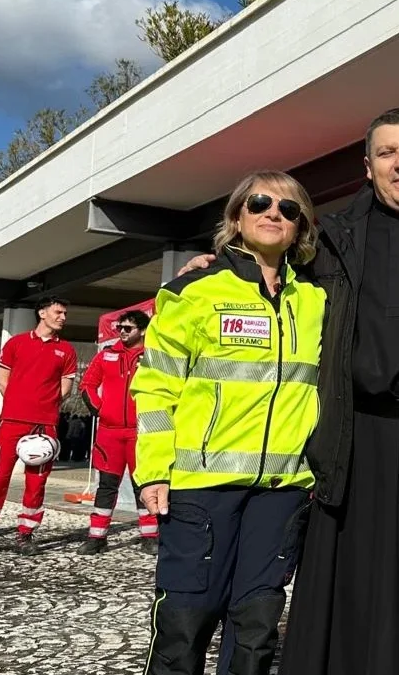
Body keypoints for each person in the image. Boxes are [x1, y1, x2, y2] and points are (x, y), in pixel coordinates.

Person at [176, 108, 399, 675]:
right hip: (366, 442)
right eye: (387, 154)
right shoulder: (332, 242)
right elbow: (274, 273)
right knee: (364, 597)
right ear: (367, 167)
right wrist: (222, 265)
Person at [134, 171, 326, 675]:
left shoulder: (317, 300)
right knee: (184, 623)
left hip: (281, 492)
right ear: (237, 216)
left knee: (258, 628)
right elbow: (155, 387)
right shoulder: (194, 291)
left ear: (300, 226)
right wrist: (153, 469)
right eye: (260, 202)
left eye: (288, 209)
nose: (272, 214)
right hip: (201, 488)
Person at [0, 297, 78, 557]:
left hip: (45, 425)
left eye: (65, 313)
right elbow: (2, 381)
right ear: (42, 313)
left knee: (36, 482)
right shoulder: (16, 343)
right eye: (58, 312)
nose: (63, 317)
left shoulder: (66, 350)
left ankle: (26, 534)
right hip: (12, 422)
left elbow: (66, 387)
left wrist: (46, 405)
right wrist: (19, 403)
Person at [77, 309, 157, 556]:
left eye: (127, 328)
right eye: (119, 327)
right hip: (109, 433)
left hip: (140, 431)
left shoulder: (153, 355)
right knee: (106, 486)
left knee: (143, 485)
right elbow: (87, 385)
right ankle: (97, 536)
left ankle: (150, 536)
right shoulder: (106, 355)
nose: (121, 332)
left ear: (142, 330)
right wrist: (99, 410)